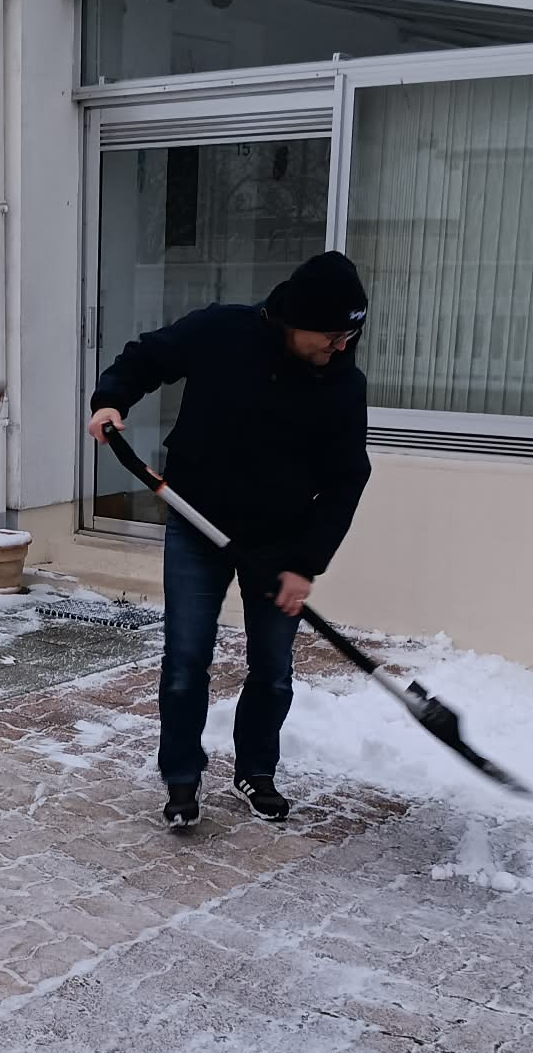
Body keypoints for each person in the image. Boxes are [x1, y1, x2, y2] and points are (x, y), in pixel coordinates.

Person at [86, 250, 371, 829]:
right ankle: (182, 778)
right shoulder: (221, 330)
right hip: (197, 522)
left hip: (279, 541)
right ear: (295, 320)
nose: (341, 347)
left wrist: (305, 564)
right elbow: (148, 356)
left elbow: (347, 480)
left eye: (349, 335)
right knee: (187, 658)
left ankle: (256, 771)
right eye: (331, 335)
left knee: (272, 669)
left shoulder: (343, 383)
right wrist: (111, 398)